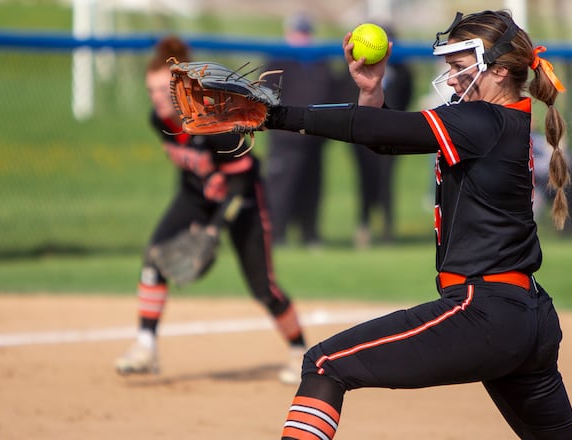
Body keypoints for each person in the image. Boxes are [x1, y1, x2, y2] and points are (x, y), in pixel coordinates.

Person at [263, 10, 572, 439]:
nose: (451, 79)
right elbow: (383, 135)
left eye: (459, 67)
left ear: (501, 71)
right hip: (527, 314)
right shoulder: (497, 121)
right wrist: (372, 91)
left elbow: (371, 130)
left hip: (484, 309)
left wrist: (271, 114)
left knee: (324, 364)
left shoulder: (484, 121)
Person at [114, 36, 307, 384]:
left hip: (243, 200)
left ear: (180, 90)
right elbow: (190, 168)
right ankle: (145, 345)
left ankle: (299, 351)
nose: (156, 99)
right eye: (151, 92)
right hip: (196, 196)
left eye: (162, 91)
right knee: (154, 255)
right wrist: (198, 218)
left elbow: (242, 180)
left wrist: (214, 229)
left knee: (264, 288)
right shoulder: (157, 121)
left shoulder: (213, 123)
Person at [264, 12, 335, 247]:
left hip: (313, 138)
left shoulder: (319, 61)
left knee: (311, 189)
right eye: (297, 33)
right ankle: (276, 235)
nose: (301, 38)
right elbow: (266, 97)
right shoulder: (278, 61)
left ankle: (309, 234)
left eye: (304, 33)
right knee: (280, 189)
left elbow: (330, 94)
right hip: (285, 140)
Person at [342, 24, 415, 248]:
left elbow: (406, 97)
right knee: (365, 179)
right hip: (361, 134)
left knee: (386, 180)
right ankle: (363, 225)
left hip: (391, 134)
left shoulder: (402, 71)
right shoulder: (355, 70)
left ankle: (387, 227)